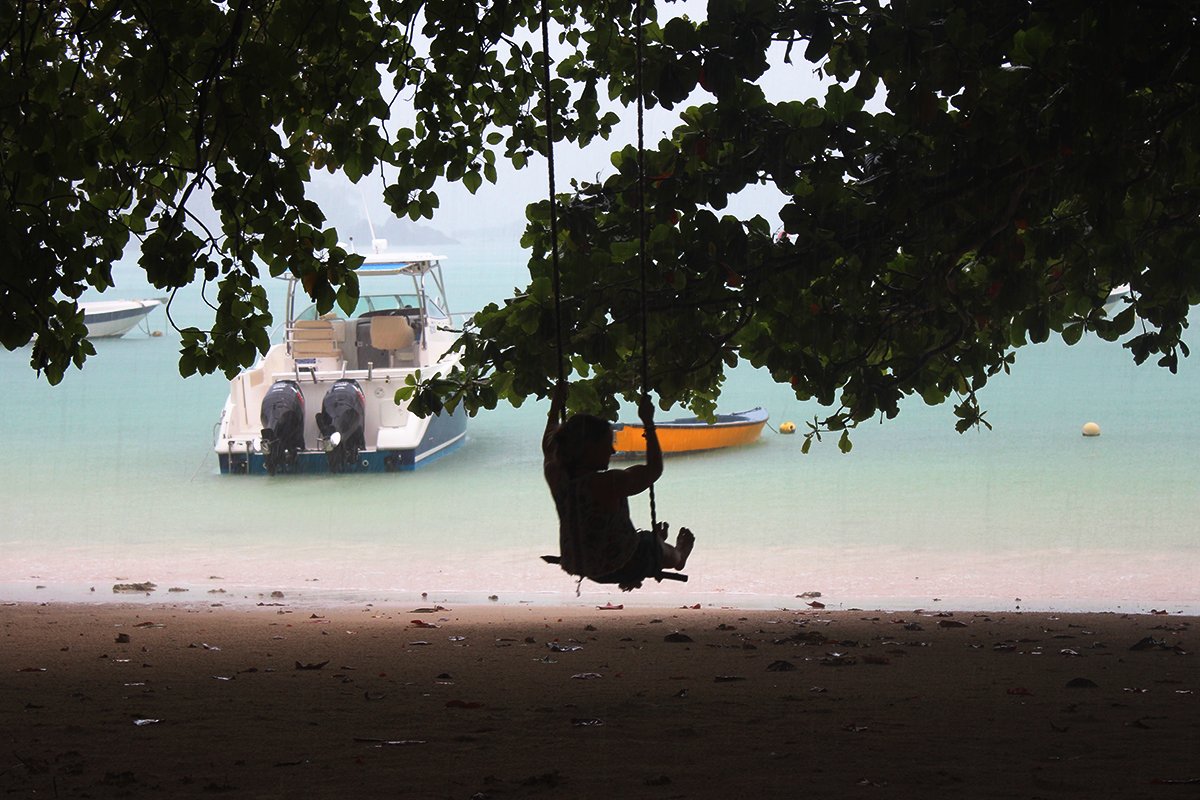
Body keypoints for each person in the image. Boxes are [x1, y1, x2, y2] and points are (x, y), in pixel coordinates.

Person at [543, 382, 695, 591]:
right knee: (651, 544)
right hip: (620, 563)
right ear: (589, 449)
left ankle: (646, 551)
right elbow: (654, 470)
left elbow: (548, 445)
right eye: (607, 444)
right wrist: (649, 424)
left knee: (638, 540)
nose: (612, 451)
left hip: (580, 563)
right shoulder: (608, 483)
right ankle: (678, 556)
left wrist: (556, 404)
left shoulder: (555, 475)